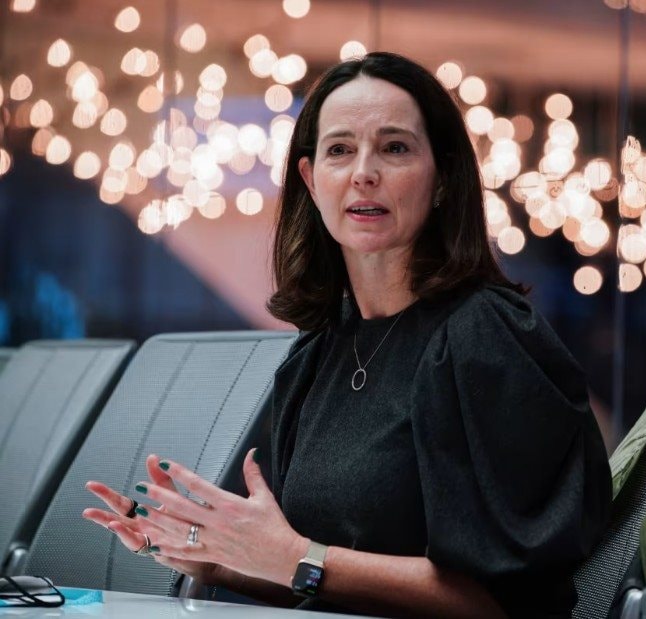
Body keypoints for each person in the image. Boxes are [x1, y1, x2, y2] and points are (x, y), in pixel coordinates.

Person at [83, 51, 611, 618]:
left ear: (442, 178)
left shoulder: (486, 335)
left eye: (395, 148)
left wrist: (296, 558)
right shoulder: (319, 350)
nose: (364, 172)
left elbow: (502, 603)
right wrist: (215, 557)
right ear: (311, 181)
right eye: (339, 150)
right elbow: (314, 575)